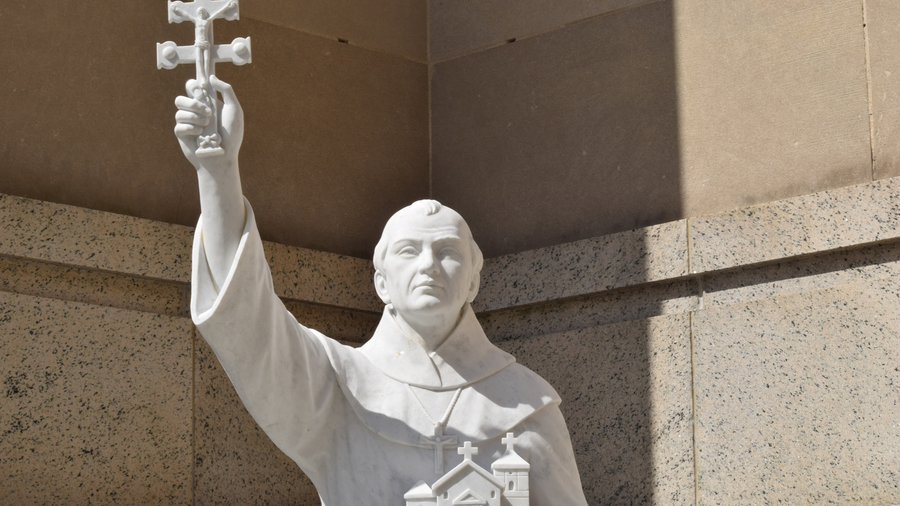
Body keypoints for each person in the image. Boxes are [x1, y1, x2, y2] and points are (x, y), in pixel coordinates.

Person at [174, 76, 589, 505]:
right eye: (409, 251)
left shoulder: (528, 403)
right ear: (381, 282)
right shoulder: (339, 383)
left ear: (474, 280)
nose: (428, 265)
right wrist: (219, 176)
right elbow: (250, 326)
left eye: (447, 251)